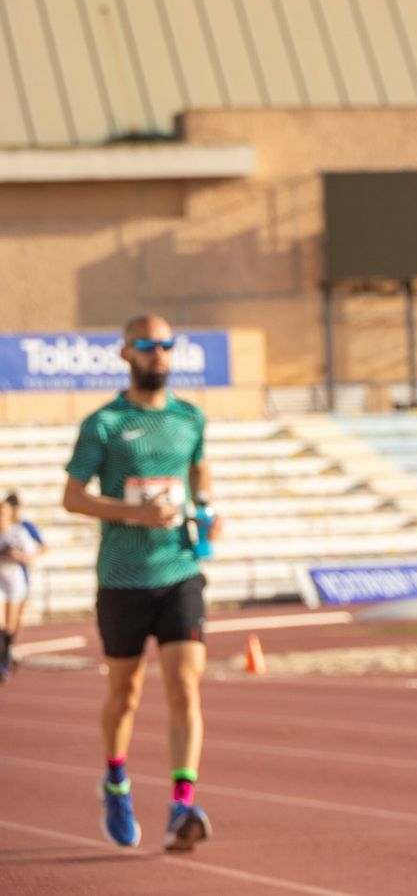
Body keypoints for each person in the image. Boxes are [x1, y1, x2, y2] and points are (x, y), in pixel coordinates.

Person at [62, 315, 222, 852]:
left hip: (179, 572)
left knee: (184, 687)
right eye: (148, 345)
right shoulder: (104, 423)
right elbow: (73, 497)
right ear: (126, 353)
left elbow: (200, 471)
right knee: (124, 694)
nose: (159, 354)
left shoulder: (189, 417)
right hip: (123, 579)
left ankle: (182, 805)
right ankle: (116, 783)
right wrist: (132, 513)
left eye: (167, 345)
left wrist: (208, 511)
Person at [0, 495, 44, 683]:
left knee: (10, 627)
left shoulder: (18, 532)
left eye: (3, 513)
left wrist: (15, 554)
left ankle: (7, 656)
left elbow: (32, 555)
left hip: (14, 581)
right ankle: (2, 665)